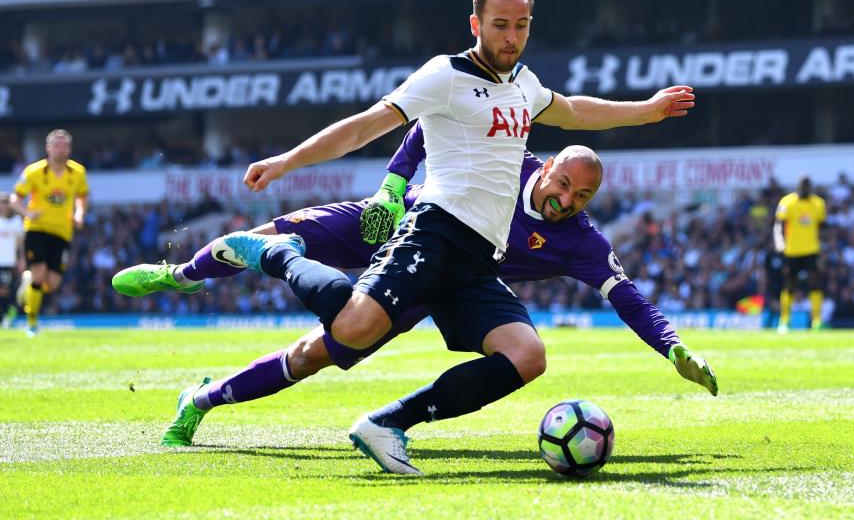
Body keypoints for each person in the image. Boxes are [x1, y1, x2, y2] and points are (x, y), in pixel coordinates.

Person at [136, 0, 694, 474]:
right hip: (434, 228)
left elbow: (574, 111)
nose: (511, 37)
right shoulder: (444, 76)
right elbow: (365, 126)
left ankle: (386, 424)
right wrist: (288, 161)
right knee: (350, 334)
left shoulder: (524, 85)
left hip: (478, 259)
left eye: (521, 25)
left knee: (527, 356)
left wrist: (648, 109)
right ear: (476, 23)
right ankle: (269, 254)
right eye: (500, 25)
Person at [113, 126, 718, 460]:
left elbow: (629, 297)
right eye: (562, 184)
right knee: (269, 231)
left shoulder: (580, 241)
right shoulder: (504, 157)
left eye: (579, 197)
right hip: (412, 222)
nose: (564, 200)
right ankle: (178, 274)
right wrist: (395, 185)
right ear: (550, 164)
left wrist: (673, 348)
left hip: (454, 277)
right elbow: (431, 126)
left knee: (320, 354)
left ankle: (207, 400)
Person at [9, 130, 88, 337]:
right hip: (37, 229)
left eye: (64, 146)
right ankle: (32, 323)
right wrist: (27, 212)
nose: (61, 149)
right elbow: (15, 198)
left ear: (69, 149)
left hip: (63, 232)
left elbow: (82, 196)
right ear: (48, 148)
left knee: (51, 284)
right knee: (39, 274)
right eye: (57, 145)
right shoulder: (34, 171)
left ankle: (29, 286)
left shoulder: (78, 173)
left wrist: (79, 214)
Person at [773, 175, 826, 333]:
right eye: (803, 186)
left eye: (807, 186)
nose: (805, 189)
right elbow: (778, 225)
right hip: (792, 250)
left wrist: (824, 248)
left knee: (815, 284)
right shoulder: (787, 202)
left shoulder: (818, 204)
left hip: (811, 250)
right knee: (789, 285)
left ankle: (817, 321)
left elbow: (822, 227)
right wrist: (779, 241)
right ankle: (784, 321)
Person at [0, 194, 23, 328]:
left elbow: (20, 244)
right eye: (1, 202)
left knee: (5, 290)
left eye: (6, 202)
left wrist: (22, 259)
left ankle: (7, 315)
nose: (3, 205)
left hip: (8, 262)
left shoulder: (16, 222)